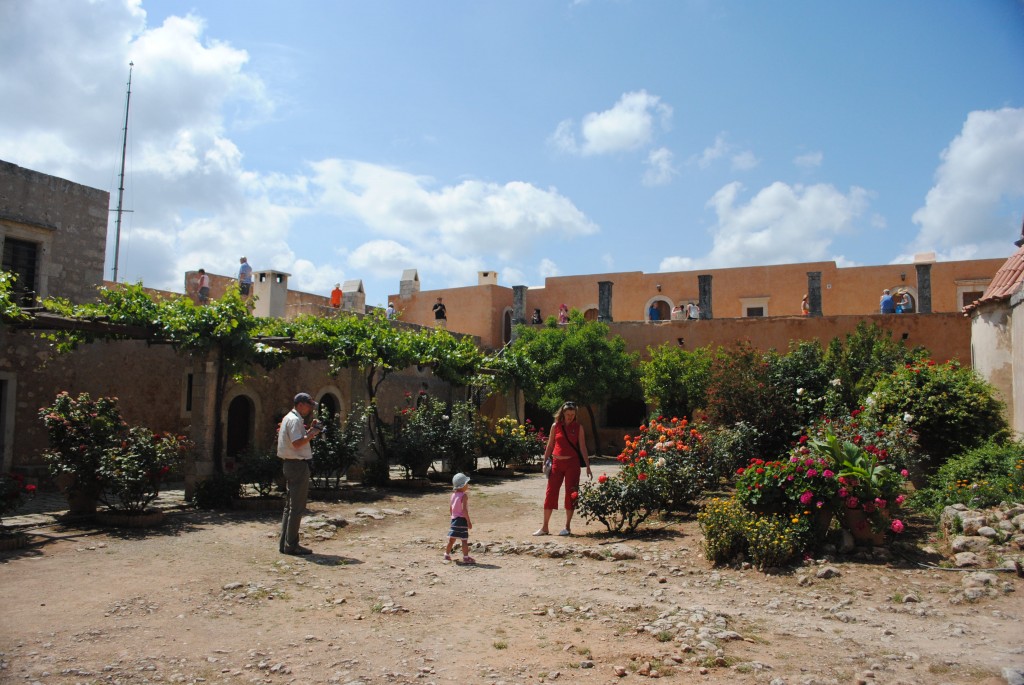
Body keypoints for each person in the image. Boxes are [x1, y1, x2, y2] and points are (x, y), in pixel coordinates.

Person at [534, 401, 592, 537]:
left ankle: (567, 527)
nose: (570, 417)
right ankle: (545, 527)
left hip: (572, 464)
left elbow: (583, 447)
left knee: (571, 494)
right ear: (563, 413)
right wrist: (544, 462)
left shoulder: (578, 428)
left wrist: (588, 466)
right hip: (556, 464)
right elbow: (549, 445)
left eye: (572, 414)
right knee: (550, 493)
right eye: (568, 414)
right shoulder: (556, 426)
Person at [277, 392, 323, 555]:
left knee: (289, 507)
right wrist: (313, 433)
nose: (310, 408)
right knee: (296, 508)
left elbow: (295, 440)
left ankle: (285, 543)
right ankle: (291, 545)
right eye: (309, 405)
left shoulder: (289, 418)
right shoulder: (295, 420)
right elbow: (297, 443)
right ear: (301, 404)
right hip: (297, 465)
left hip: (290, 464)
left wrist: (310, 429)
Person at [444, 472, 475, 564]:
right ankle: (466, 557)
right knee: (464, 540)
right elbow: (464, 510)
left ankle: (446, 554)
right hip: (462, 520)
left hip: (454, 520)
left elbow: (451, 509)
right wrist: (468, 521)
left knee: (451, 539)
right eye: (466, 483)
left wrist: (453, 518)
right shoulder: (464, 496)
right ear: (462, 485)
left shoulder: (453, 495)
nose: (467, 485)